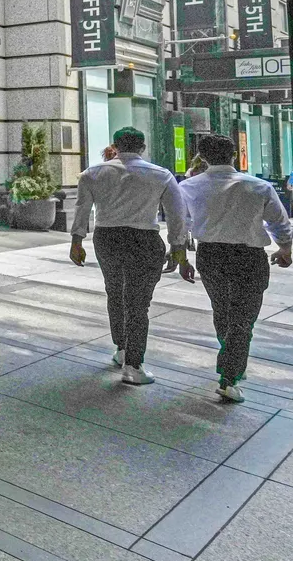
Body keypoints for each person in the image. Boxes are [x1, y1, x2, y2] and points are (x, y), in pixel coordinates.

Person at [177, 134, 292, 402]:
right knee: (243, 318)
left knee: (222, 311)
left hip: (210, 255)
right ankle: (229, 376)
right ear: (233, 155)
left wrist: (181, 256)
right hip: (248, 257)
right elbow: (279, 221)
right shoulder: (258, 186)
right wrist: (285, 248)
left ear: (202, 157)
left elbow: (179, 224)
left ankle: (231, 357)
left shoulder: (189, 186)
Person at [70, 127, 188, 385]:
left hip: (107, 237)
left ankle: (121, 348)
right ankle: (134, 364)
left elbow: (82, 208)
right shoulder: (161, 175)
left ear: (116, 145)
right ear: (143, 147)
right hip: (144, 238)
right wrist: (178, 247)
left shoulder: (93, 173)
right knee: (138, 302)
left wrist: (77, 241)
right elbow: (177, 215)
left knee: (114, 291)